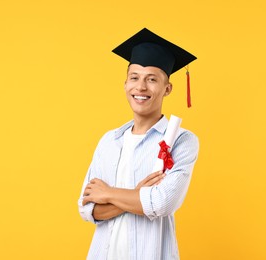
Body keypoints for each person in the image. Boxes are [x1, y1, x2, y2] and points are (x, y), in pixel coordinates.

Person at [78, 28, 199, 260]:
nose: (141, 87)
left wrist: (108, 194)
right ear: (125, 84)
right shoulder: (109, 141)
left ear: (167, 89)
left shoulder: (182, 141)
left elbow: (162, 203)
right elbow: (86, 208)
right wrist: (137, 196)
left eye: (152, 79)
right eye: (134, 78)